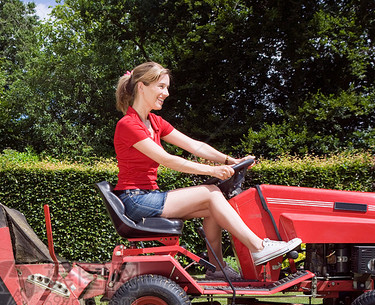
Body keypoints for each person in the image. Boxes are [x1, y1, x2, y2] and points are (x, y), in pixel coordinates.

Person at [114, 62, 302, 279]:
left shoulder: (154, 122)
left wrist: (231, 160)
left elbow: (195, 146)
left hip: (148, 196)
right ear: (141, 87)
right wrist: (212, 171)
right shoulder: (129, 124)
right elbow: (167, 160)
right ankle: (259, 248)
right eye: (161, 87)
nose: (166, 93)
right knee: (209, 193)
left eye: (167, 87)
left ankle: (217, 268)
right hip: (135, 199)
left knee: (215, 203)